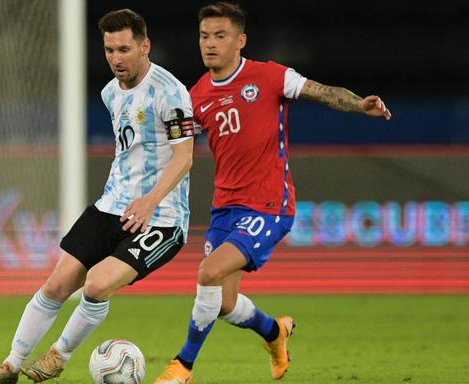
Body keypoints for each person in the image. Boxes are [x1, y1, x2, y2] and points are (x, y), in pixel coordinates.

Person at [154, 2, 391, 383]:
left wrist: (359, 104)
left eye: (220, 36)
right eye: (204, 36)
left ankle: (182, 366)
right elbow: (172, 147)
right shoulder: (194, 96)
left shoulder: (268, 77)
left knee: (208, 273)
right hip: (224, 210)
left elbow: (322, 92)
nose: (210, 44)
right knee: (225, 304)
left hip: (270, 205)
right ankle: (274, 333)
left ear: (240, 40)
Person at [0, 8, 196, 384]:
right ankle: (10, 366)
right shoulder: (111, 93)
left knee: (95, 284)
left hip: (161, 217)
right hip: (110, 206)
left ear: (145, 46)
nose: (116, 58)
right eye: (109, 50)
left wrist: (149, 201)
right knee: (56, 285)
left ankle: (58, 356)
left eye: (124, 49)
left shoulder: (171, 93)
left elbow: (185, 157)